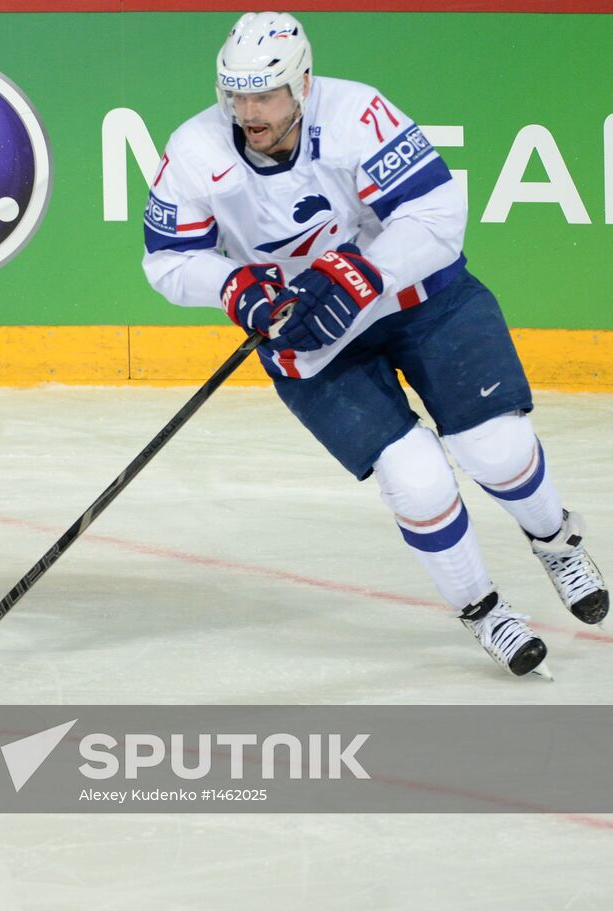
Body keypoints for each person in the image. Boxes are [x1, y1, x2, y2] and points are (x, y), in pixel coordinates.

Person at [141, 11, 606, 677]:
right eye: (236, 95)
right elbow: (168, 260)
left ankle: (556, 540)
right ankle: (483, 609)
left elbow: (438, 215)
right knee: (417, 482)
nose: (248, 112)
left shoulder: (358, 114)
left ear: (302, 84)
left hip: (424, 302)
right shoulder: (194, 150)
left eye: (264, 95)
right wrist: (232, 285)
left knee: (496, 449)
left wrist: (366, 272)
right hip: (313, 336)